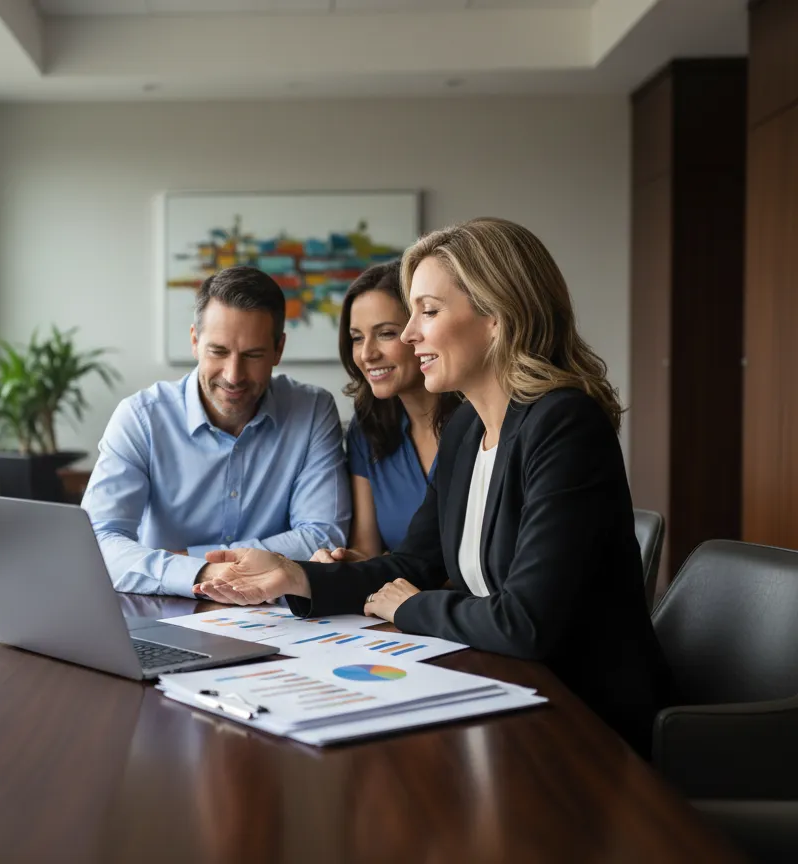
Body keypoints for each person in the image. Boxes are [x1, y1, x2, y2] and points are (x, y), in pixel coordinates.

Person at [195, 218, 674, 755]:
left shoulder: (565, 425)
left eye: (428, 311)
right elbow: (412, 564)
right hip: (507, 692)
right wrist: (294, 577)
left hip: (585, 722)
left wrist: (410, 608)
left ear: (497, 317)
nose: (408, 334)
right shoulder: (469, 425)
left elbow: (526, 623)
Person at [81, 265, 350, 598]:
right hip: (166, 611)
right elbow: (96, 543)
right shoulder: (140, 418)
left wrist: (187, 558)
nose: (233, 375)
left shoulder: (311, 411)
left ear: (278, 349)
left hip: (274, 616)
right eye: (218, 352)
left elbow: (322, 536)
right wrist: (205, 571)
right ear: (195, 341)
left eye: (252, 355)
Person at [324, 260, 459, 559]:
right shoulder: (369, 425)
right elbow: (367, 550)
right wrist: (341, 565)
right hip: (396, 601)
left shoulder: (477, 421)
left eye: (385, 333)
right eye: (357, 338)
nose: (367, 353)